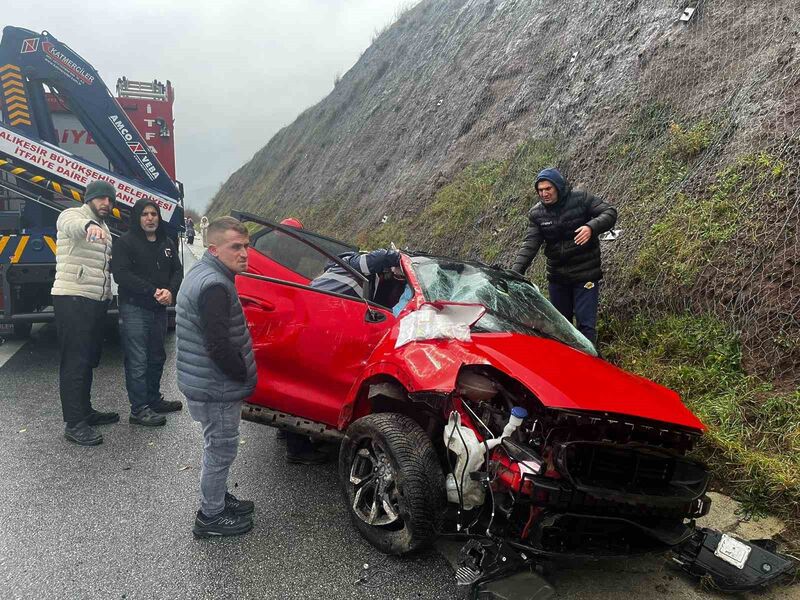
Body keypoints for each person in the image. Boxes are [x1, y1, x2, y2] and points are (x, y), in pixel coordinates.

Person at [176, 216, 257, 538]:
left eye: (247, 247)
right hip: (216, 386)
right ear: (214, 248)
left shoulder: (204, 272)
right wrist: (240, 374)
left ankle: (218, 498)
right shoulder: (215, 286)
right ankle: (210, 516)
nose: (244, 254)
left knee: (217, 445)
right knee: (220, 449)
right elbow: (218, 345)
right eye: (235, 247)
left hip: (204, 381)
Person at [511, 168, 617, 345]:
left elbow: (609, 212)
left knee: (586, 326)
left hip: (585, 274)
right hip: (558, 277)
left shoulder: (581, 199)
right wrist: (514, 273)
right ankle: (568, 367)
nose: (544, 193)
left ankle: (590, 365)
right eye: (540, 190)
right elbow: (530, 245)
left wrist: (591, 227)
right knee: (561, 327)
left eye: (548, 189)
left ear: (558, 187)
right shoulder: (537, 214)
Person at [52, 180, 119, 446]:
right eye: (101, 198)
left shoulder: (105, 227)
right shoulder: (76, 216)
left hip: (94, 300)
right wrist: (88, 226)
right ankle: (74, 423)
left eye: (109, 200)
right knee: (75, 361)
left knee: (88, 358)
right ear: (89, 199)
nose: (106, 203)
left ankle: (85, 411)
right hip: (73, 298)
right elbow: (69, 223)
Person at [111, 199, 183, 427]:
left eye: (154, 214)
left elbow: (177, 271)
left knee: (157, 357)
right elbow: (121, 275)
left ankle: (153, 399)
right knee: (138, 360)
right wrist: (153, 291)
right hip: (134, 308)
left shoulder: (167, 242)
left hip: (159, 310)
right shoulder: (125, 243)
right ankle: (139, 409)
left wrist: (171, 291)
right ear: (137, 218)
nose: (150, 218)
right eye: (145, 214)